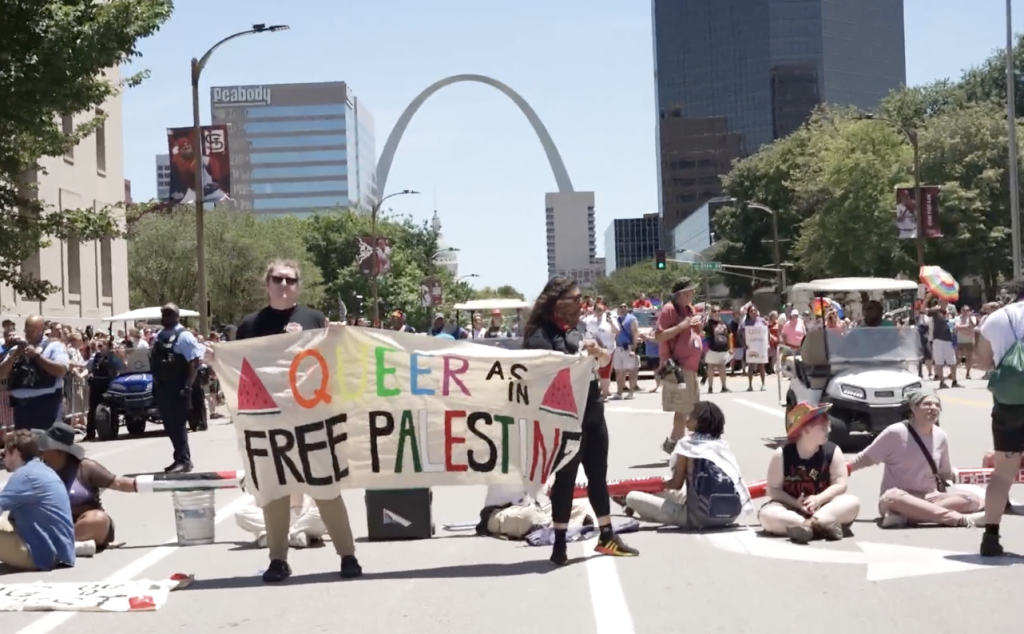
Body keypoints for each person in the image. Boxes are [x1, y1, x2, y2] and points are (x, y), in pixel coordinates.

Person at [233, 258, 362, 582]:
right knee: (274, 492)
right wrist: (216, 358)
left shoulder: (313, 319)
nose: (283, 285)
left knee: (325, 487)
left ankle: (347, 555)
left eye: (290, 280)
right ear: (267, 284)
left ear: (298, 286)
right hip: (268, 421)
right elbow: (238, 368)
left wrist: (337, 337)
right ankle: (278, 560)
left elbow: (330, 363)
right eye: (277, 279)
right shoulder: (250, 325)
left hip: (310, 418)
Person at [522, 275, 639, 565]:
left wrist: (598, 352)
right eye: (574, 299)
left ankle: (607, 536)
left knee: (598, 476)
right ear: (558, 302)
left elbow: (602, 362)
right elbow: (536, 370)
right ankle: (559, 544)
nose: (580, 304)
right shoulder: (540, 334)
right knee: (566, 478)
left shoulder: (579, 328)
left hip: (592, 411)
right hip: (564, 416)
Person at [849, 389, 983, 529]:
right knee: (892, 496)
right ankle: (959, 519)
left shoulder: (940, 436)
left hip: (931, 498)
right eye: (927, 404)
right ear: (914, 408)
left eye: (937, 405)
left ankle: (908, 517)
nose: (933, 408)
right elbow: (865, 458)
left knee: (971, 499)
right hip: (900, 499)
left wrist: (981, 476)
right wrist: (840, 471)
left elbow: (945, 473)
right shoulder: (896, 432)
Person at [624, 402, 749, 528]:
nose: (687, 418)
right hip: (731, 515)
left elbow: (676, 484)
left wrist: (654, 487)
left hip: (697, 518)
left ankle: (628, 501)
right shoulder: (722, 444)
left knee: (631, 496)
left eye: (691, 415)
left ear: (699, 422)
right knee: (662, 490)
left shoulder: (688, 444)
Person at [758, 402, 860, 544]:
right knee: (767, 515)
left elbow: (840, 484)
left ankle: (808, 527)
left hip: (824, 507)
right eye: (823, 427)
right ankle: (821, 527)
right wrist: (796, 503)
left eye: (828, 426)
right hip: (791, 508)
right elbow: (773, 490)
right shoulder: (782, 454)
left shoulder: (833, 451)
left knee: (851, 502)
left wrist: (818, 499)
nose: (828, 430)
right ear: (805, 430)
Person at [973, 283, 1024, 556]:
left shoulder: (996, 317)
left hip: (1008, 404)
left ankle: (990, 537)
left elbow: (983, 363)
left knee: (1003, 473)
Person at [37, 421, 138, 556]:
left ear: (59, 451)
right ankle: (67, 547)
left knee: (98, 519)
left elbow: (118, 483)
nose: (41, 452)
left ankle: (56, 547)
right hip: (54, 525)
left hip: (85, 524)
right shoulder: (38, 471)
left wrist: (152, 484)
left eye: (45, 448)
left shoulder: (85, 468)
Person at [0, 430, 76, 571]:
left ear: (15, 453)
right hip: (61, 550)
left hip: (43, 555)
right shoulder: (44, 470)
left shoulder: (24, 476)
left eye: (4, 454)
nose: (2, 459)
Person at [151, 304, 203, 473]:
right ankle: (179, 457)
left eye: (169, 314)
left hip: (179, 386)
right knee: (169, 424)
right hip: (163, 386)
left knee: (178, 424)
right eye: (163, 313)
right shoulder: (159, 336)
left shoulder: (184, 336)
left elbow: (194, 362)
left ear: (177, 316)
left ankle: (184, 460)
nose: (165, 317)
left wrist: (188, 386)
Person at [654, 277, 704, 453]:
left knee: (691, 406)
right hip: (677, 367)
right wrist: (682, 326)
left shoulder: (689, 309)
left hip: (690, 366)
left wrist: (698, 328)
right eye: (690, 291)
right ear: (682, 293)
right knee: (683, 408)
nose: (693, 294)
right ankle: (676, 443)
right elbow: (659, 336)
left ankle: (677, 442)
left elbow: (696, 333)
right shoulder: (669, 309)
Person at [0, 315, 70, 431]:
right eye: (26, 330)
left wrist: (37, 357)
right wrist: (14, 356)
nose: (27, 333)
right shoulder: (17, 349)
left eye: (31, 330)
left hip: (46, 406)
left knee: (47, 445)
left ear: (42, 329)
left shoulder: (54, 346)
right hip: (21, 409)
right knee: (24, 447)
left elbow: (61, 370)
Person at [235, 491, 327, 549]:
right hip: (277, 518)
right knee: (241, 513)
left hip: (305, 518)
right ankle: (293, 536)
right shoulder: (272, 469)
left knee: (325, 512)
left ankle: (281, 536)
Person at [84, 338, 123, 441]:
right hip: (96, 384)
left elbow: (120, 368)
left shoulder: (113, 357)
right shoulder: (96, 357)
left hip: (108, 384)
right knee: (92, 410)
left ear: (107, 346)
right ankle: (90, 433)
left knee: (112, 407)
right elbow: (90, 367)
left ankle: (112, 428)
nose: (99, 348)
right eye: (98, 346)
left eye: (101, 346)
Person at [612, 303, 639, 400]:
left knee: (631, 371)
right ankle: (619, 393)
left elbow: (635, 334)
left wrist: (633, 350)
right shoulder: (616, 319)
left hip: (628, 347)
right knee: (619, 372)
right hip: (618, 348)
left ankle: (631, 392)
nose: (623, 308)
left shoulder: (632, 319)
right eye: (621, 306)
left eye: (625, 306)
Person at [702, 306, 731, 394]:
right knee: (711, 367)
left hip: (723, 349)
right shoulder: (708, 324)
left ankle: (724, 387)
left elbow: (729, 335)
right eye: (715, 311)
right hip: (712, 349)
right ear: (711, 313)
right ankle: (710, 388)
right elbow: (703, 335)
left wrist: (731, 347)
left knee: (722, 367)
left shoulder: (724, 322)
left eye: (718, 311)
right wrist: (705, 348)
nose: (717, 312)